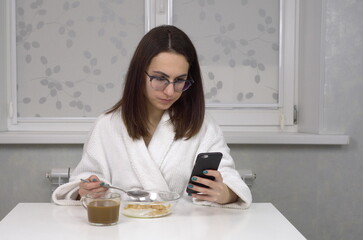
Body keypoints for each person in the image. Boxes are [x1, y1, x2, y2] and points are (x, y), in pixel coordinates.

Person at [52, 25, 251, 208]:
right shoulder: (107, 125)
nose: (170, 91)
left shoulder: (203, 126)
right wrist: (86, 191)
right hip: (122, 229)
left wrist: (224, 193)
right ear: (139, 74)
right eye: (160, 79)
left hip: (183, 230)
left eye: (180, 81)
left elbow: (230, 180)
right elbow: (84, 182)